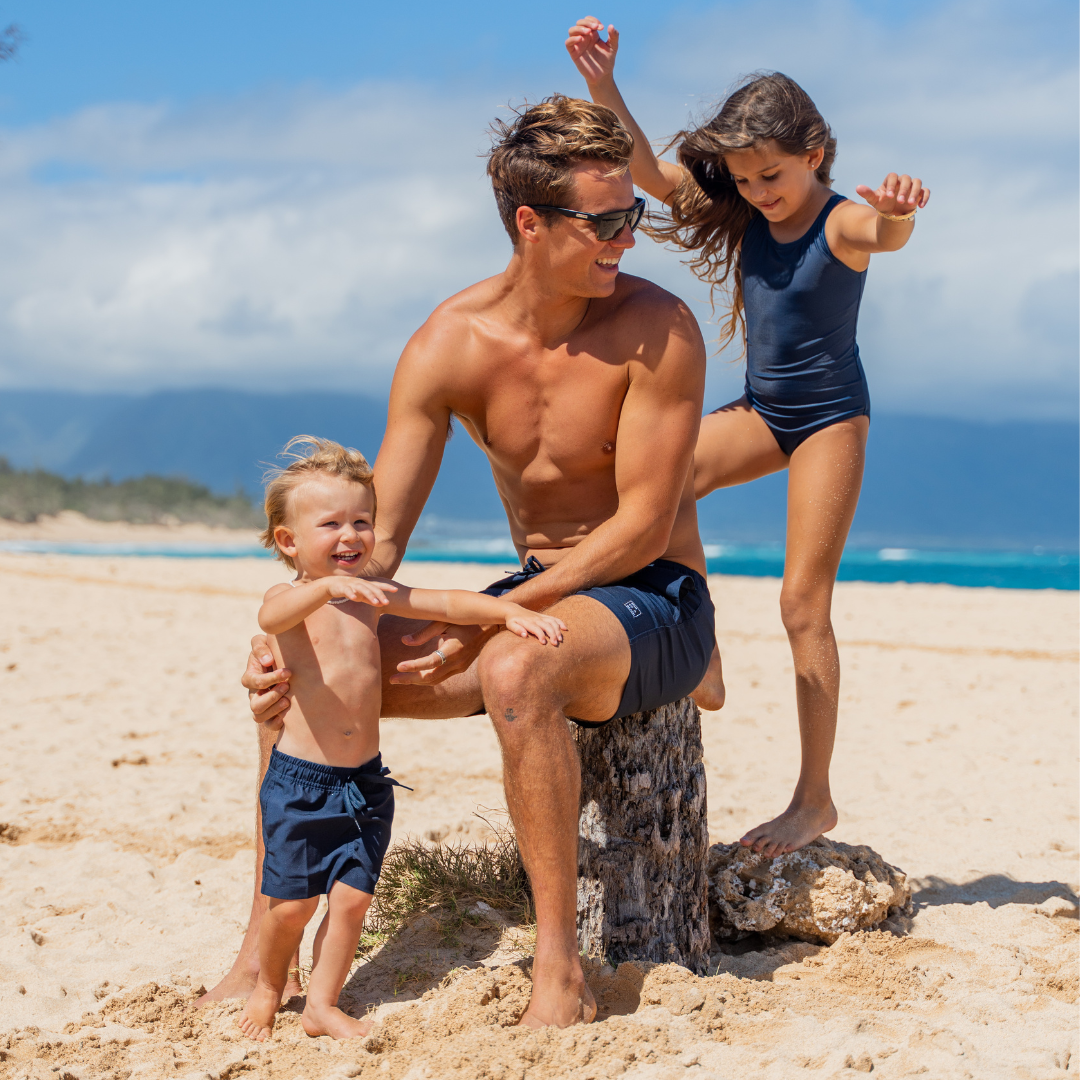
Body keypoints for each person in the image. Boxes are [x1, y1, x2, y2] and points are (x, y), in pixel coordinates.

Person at [209, 95, 713, 1029]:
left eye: (631, 215)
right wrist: (310, 623)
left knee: (518, 663)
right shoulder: (451, 342)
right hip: (540, 594)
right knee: (299, 673)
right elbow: (378, 543)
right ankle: (261, 953)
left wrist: (504, 612)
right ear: (530, 222)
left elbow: (644, 527)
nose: (627, 239)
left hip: (655, 598)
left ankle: (559, 969)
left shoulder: (659, 327)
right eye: (603, 222)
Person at [566, 17, 930, 858]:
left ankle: (814, 799)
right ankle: (703, 641)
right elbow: (650, 172)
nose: (760, 192)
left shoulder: (840, 222)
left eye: (772, 175)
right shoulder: (746, 213)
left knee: (802, 604)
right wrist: (603, 86)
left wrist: (898, 214)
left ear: (814, 155)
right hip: (763, 410)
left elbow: (883, 237)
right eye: (744, 179)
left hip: (828, 420)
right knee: (659, 472)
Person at [236, 435, 566, 1042]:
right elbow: (270, 619)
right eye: (331, 524)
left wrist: (506, 613)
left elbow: (445, 601)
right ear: (288, 541)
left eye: (362, 521)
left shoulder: (371, 597)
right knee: (291, 907)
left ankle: (322, 1005)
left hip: (364, 784)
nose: (351, 536)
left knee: (351, 902)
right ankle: (267, 987)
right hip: (300, 786)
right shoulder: (291, 598)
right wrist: (327, 589)